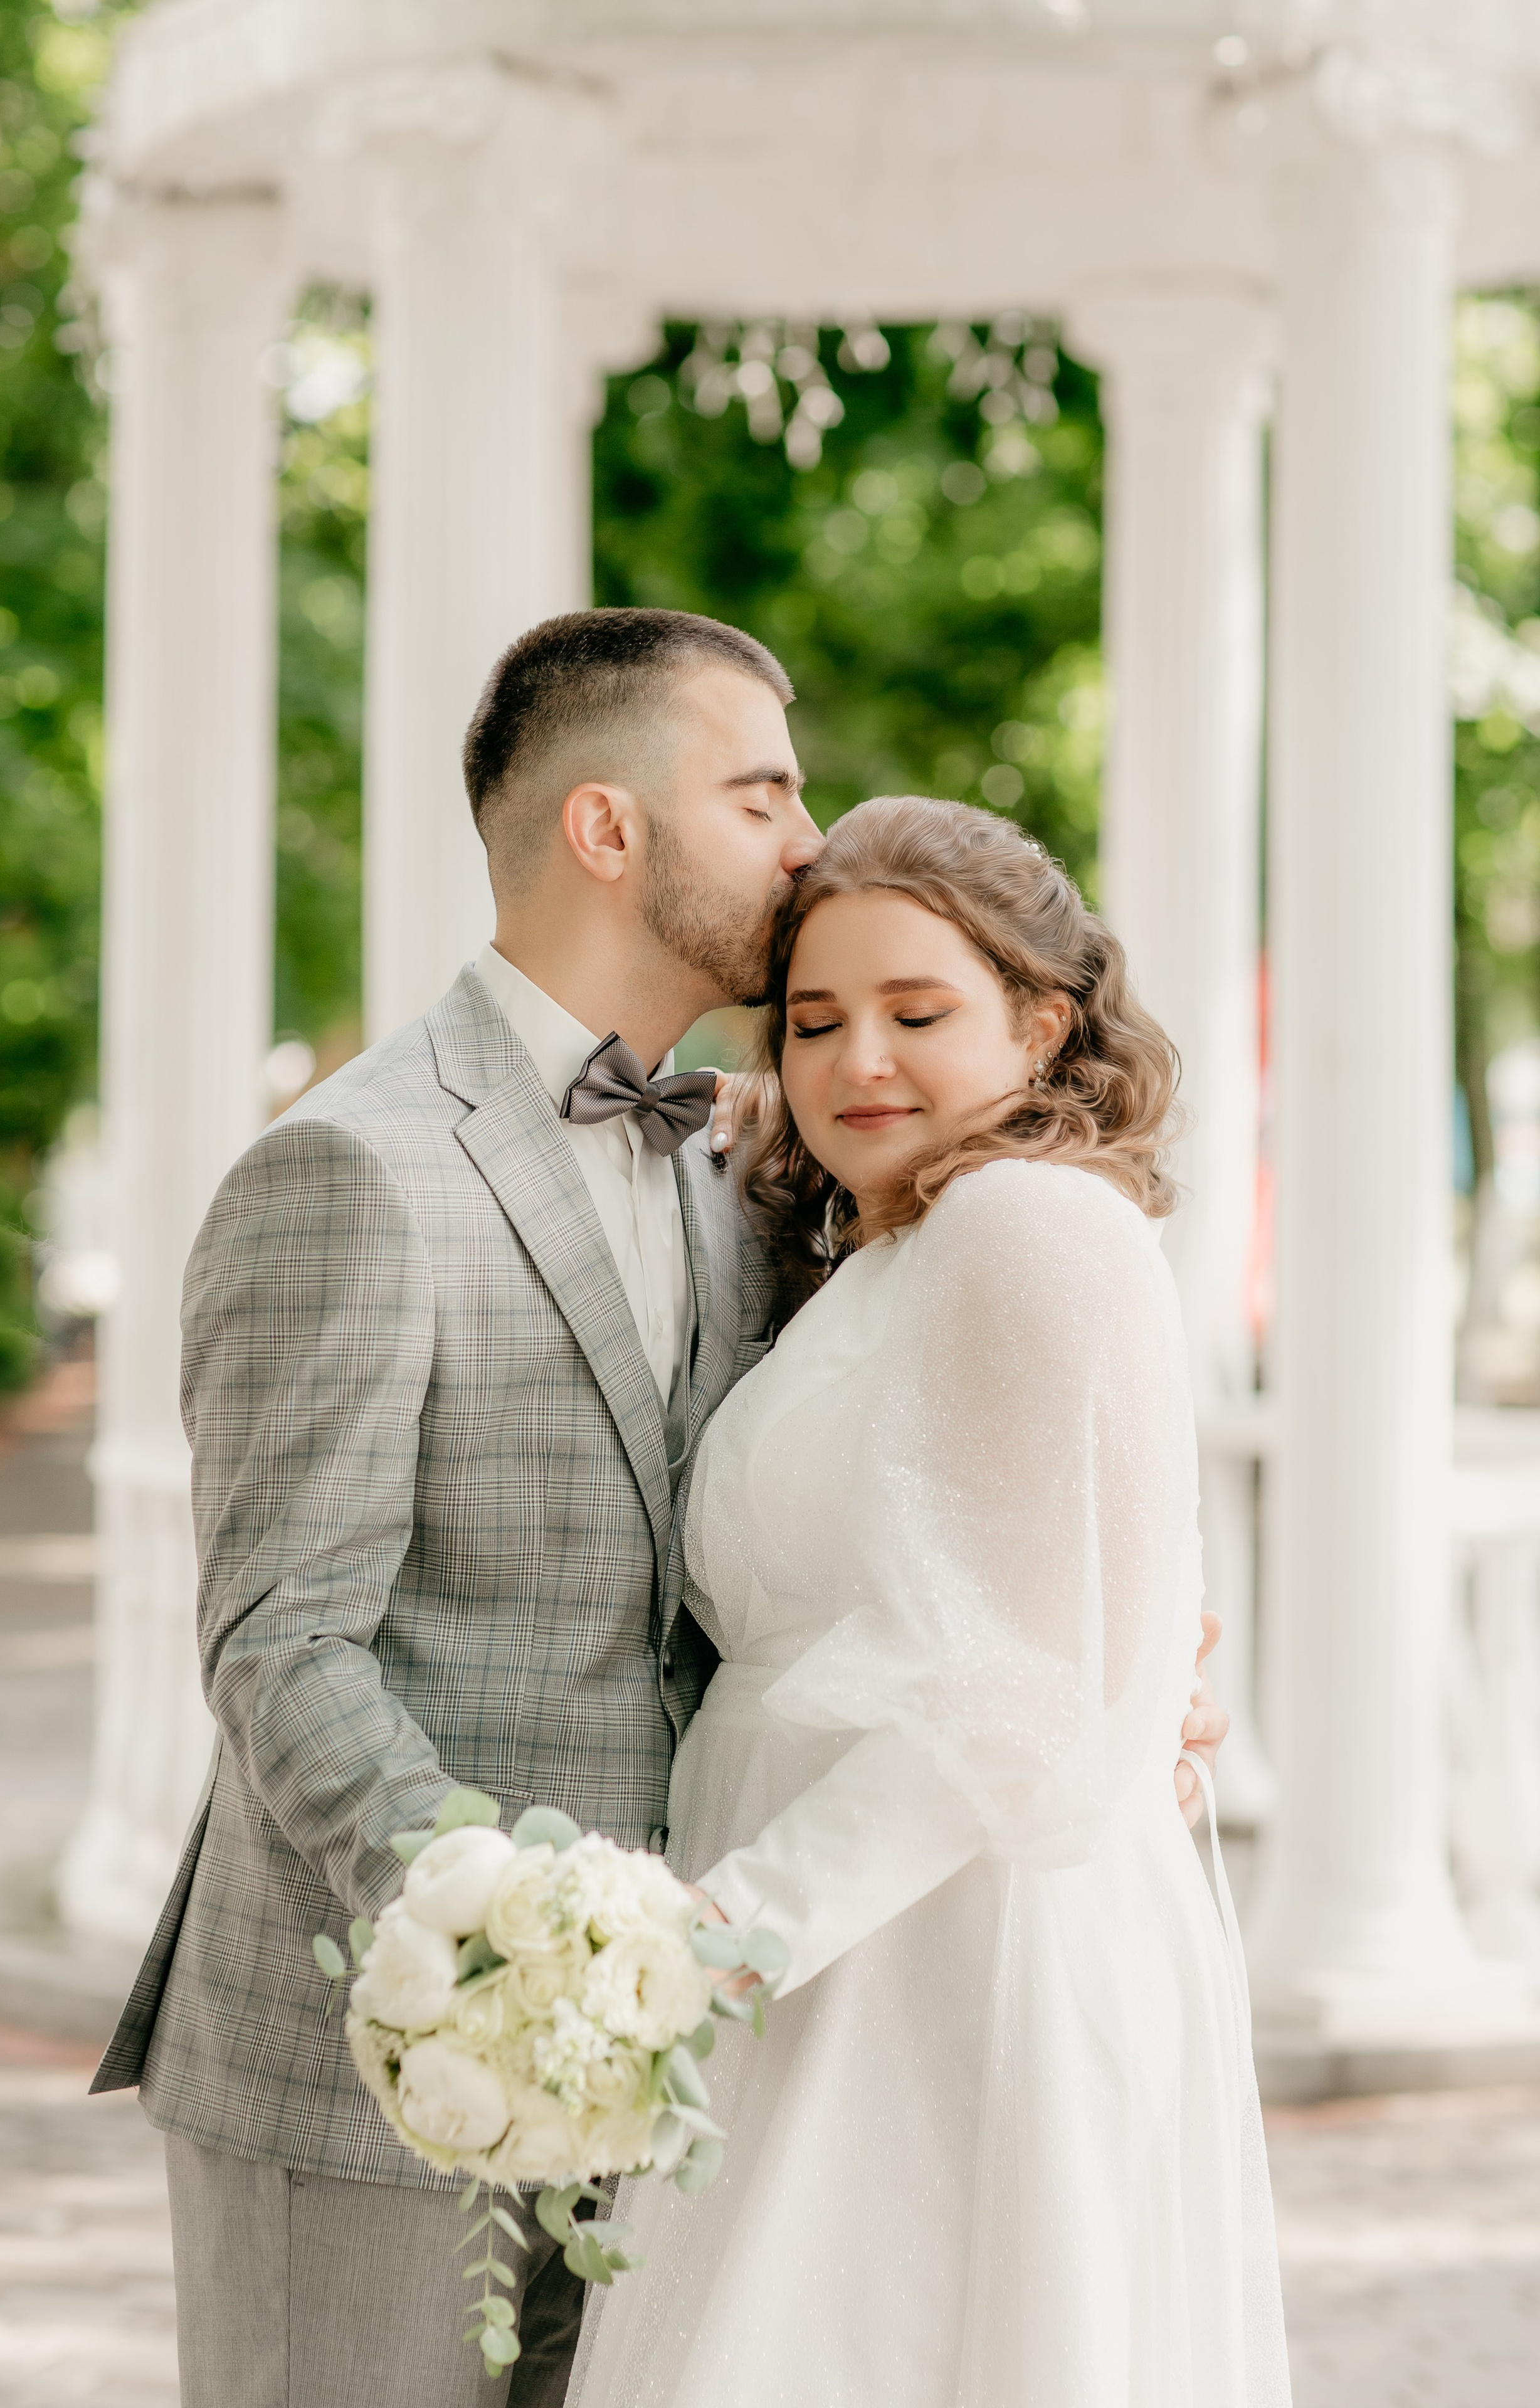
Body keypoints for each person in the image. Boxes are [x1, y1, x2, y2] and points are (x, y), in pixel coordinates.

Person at [88, 610, 1228, 2408]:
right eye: (765, 790)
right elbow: (281, 1636)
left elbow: (927, 1540)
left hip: (721, 2050)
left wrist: (1119, 1676)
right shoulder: (351, 1167)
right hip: (395, 2051)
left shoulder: (768, 1164)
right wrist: (507, 1952)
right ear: (610, 829)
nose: (806, 836)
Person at [567, 793, 1290, 2408]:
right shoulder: (889, 1248)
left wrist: (719, 1942)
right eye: (813, 1022)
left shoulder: (1026, 1226)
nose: (855, 1063)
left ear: (1040, 1022)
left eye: (917, 1012)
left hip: (947, 1937)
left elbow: (1012, 1681)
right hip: (830, 1919)